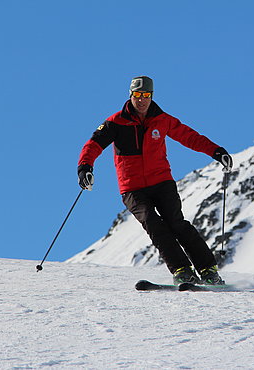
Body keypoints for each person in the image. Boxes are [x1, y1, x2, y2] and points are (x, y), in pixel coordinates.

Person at [78, 76, 233, 285]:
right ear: (131, 96)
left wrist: (216, 151)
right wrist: (85, 167)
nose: (141, 100)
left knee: (176, 223)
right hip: (132, 188)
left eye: (146, 96)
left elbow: (190, 137)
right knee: (153, 223)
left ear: (151, 96)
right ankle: (182, 271)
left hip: (161, 182)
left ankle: (208, 270)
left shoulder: (163, 119)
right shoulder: (115, 123)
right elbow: (93, 145)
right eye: (137, 95)